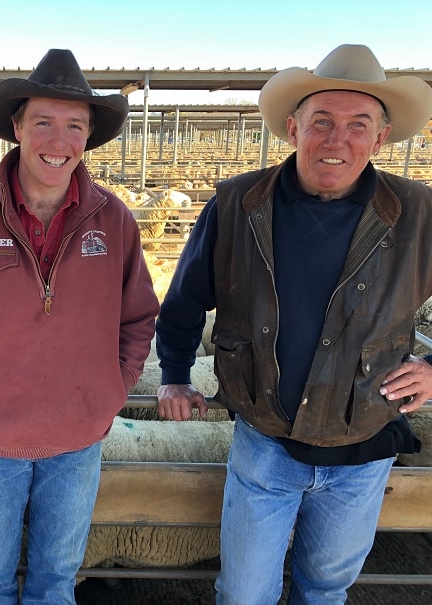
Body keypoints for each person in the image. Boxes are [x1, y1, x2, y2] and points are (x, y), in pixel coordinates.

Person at [155, 44, 432, 604]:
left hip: (363, 443)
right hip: (265, 440)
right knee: (243, 593)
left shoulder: (420, 213)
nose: (337, 139)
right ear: (292, 128)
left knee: (325, 589)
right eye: (321, 122)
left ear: (380, 138)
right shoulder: (237, 205)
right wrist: (175, 373)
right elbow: (183, 300)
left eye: (359, 125)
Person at [0, 49, 159, 603]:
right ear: (16, 127)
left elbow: (138, 315)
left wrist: (111, 388)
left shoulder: (112, 219)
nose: (57, 140)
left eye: (74, 126)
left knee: (55, 582)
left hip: (77, 438)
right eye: (42, 122)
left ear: (88, 137)